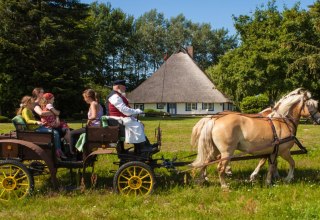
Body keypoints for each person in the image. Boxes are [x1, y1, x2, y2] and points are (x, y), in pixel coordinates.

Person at [106, 79, 158, 154]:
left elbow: (125, 110)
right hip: (115, 119)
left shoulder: (117, 95)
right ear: (118, 86)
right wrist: (136, 111)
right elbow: (124, 110)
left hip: (119, 118)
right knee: (136, 125)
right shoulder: (114, 96)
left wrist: (135, 113)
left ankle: (144, 145)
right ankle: (142, 148)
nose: (125, 88)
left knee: (138, 123)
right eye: (124, 87)